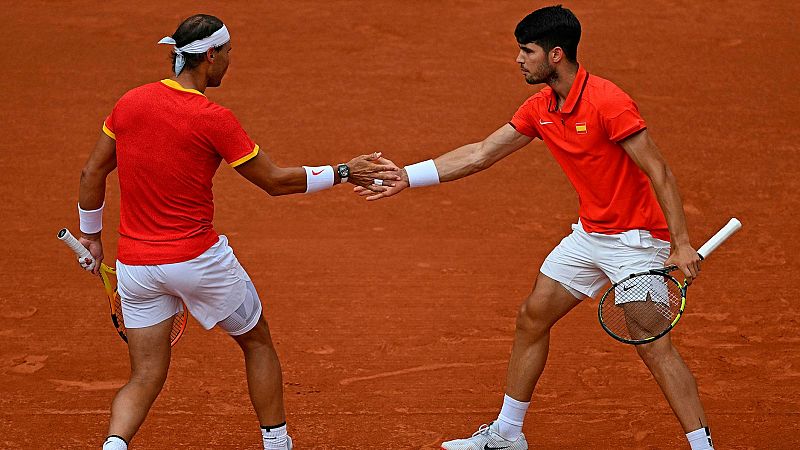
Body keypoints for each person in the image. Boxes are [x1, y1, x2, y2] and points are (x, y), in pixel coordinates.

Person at [356, 5, 714, 450]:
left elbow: (659, 172)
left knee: (653, 347)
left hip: (636, 243)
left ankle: (703, 446)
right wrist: (410, 175)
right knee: (532, 316)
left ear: (556, 54)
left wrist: (680, 244)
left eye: (526, 51)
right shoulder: (541, 106)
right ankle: (507, 434)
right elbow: (481, 153)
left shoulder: (609, 102)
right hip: (589, 237)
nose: (518, 59)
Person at [75, 14, 399, 450]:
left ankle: (114, 445)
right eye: (228, 54)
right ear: (210, 56)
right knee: (257, 342)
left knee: (145, 375)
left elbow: (93, 170)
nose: (230, 62)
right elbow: (275, 181)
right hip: (198, 261)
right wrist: (344, 171)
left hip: (136, 267)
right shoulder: (213, 118)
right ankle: (277, 444)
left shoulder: (129, 103)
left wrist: (91, 235)